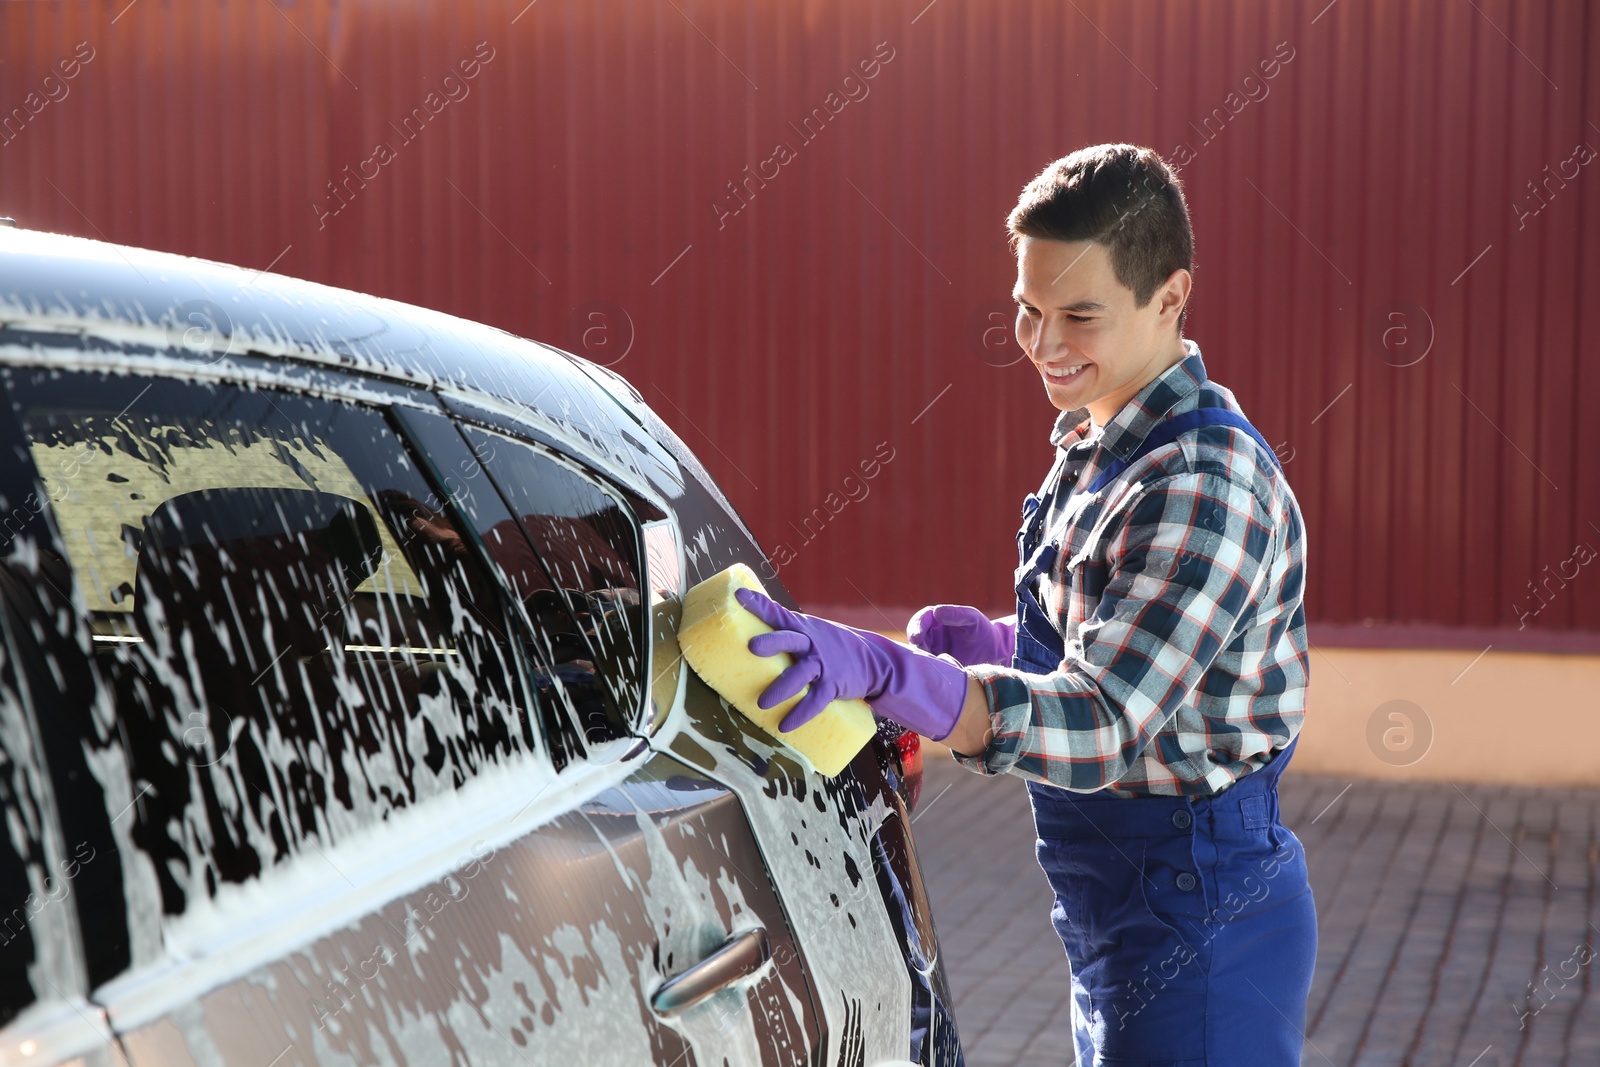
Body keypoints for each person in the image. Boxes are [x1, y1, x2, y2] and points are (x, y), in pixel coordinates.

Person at [736, 143, 1315, 1064]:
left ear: (1169, 297)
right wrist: (1003, 646)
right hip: (1125, 914)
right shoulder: (1108, 439)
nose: (1043, 345)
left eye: (1078, 315)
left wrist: (911, 679)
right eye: (1027, 310)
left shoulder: (1204, 483)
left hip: (1199, 915)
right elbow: (1136, 641)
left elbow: (1103, 721)